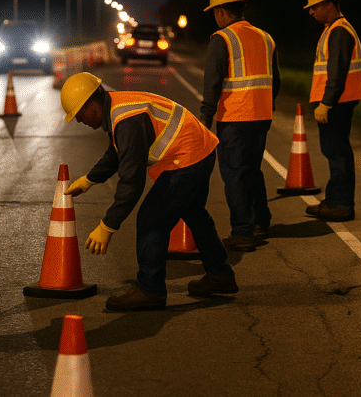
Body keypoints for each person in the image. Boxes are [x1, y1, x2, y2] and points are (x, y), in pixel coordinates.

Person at [60, 71, 238, 311]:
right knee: (195, 214)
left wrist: (108, 225)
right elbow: (118, 151)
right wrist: (89, 179)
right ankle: (220, 275)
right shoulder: (117, 107)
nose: (80, 121)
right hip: (200, 149)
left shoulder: (127, 120)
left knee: (152, 218)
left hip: (187, 158)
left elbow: (132, 181)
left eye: (79, 115)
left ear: (91, 104)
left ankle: (150, 290)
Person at [199, 0, 280, 252]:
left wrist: (205, 118)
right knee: (252, 170)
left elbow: (212, 82)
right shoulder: (266, 37)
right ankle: (261, 221)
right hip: (262, 115)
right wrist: (267, 105)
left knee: (234, 175)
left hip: (235, 117)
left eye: (214, 11)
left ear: (221, 10)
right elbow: (275, 81)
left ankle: (243, 232)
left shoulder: (222, 39)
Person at [304, 0, 361, 222]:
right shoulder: (334, 28)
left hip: (337, 102)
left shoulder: (339, 30)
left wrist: (327, 102)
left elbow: (337, 71)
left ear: (330, 4)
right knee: (334, 150)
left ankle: (341, 204)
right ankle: (334, 199)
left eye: (315, 6)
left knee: (337, 151)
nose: (311, 12)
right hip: (338, 100)